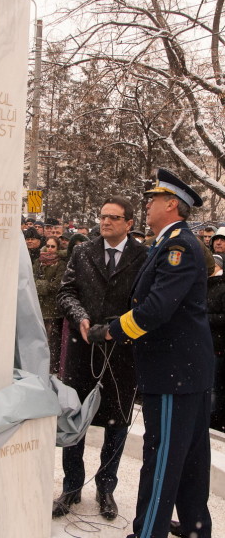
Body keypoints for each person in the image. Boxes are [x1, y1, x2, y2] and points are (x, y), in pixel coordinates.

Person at [103, 169, 214, 538]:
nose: (147, 205)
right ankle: (196, 527)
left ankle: (148, 532)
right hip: (185, 370)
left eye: (153, 199)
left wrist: (112, 331)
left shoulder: (177, 246)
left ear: (171, 204)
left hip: (172, 373)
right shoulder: (171, 243)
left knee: (163, 457)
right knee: (192, 457)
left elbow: (155, 310)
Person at [54, 196, 147, 520]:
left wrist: (117, 329)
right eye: (103, 215)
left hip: (122, 355)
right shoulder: (82, 252)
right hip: (83, 352)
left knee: (117, 424)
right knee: (73, 420)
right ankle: (71, 486)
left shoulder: (144, 256)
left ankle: (106, 488)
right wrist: (79, 316)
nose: (105, 222)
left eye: (113, 217)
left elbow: (147, 303)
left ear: (129, 223)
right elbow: (66, 292)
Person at [33, 236, 67, 375]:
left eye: (53, 246)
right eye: (48, 246)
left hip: (53, 310)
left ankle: (52, 370)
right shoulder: (38, 261)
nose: (50, 249)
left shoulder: (61, 264)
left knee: (53, 343)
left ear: (58, 248)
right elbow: (32, 279)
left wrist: (42, 285)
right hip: (39, 307)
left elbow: (57, 285)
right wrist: (43, 285)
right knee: (39, 340)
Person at [207, 255, 225, 433]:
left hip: (217, 344)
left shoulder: (222, 287)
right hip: (205, 343)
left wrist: (206, 318)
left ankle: (213, 419)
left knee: (214, 386)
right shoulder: (206, 285)